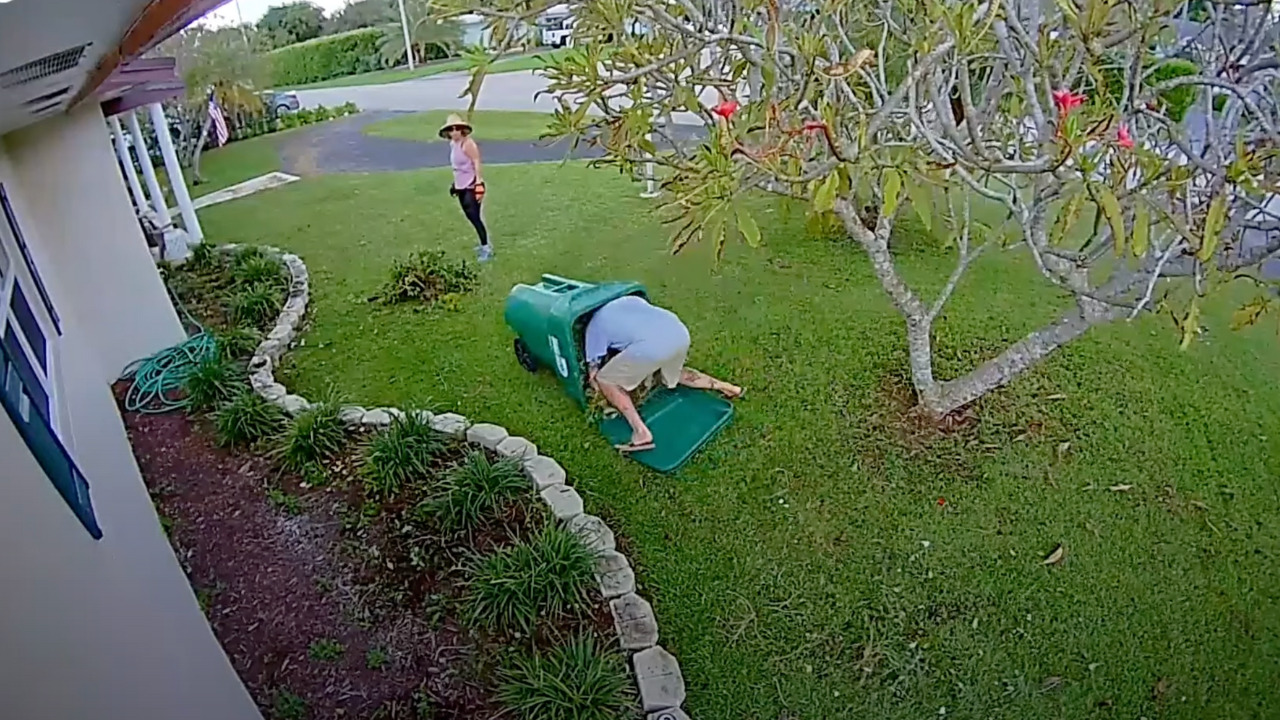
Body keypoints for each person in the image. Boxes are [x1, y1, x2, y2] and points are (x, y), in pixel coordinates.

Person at [585, 295, 743, 453]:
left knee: (606, 380)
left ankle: (641, 432)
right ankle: (728, 387)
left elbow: (593, 373)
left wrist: (600, 389)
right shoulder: (627, 300)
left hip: (651, 348)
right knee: (673, 372)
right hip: (678, 332)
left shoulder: (594, 328)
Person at [439, 113, 492, 262]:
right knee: (470, 216)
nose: (454, 132)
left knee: (475, 217)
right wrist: (455, 185)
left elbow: (476, 161)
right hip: (461, 185)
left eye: (457, 128)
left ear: (462, 129)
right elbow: (457, 167)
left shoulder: (467, 144)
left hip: (471, 185)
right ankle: (483, 244)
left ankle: (486, 247)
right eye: (451, 129)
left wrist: (479, 183)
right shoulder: (453, 144)